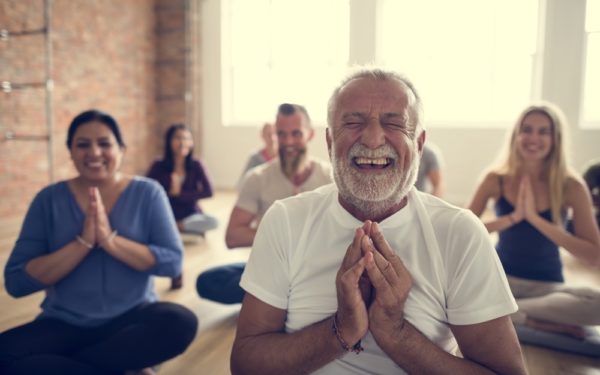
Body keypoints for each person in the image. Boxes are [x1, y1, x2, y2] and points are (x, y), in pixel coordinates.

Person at [230, 68, 527, 374]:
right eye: (353, 122)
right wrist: (340, 329)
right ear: (330, 142)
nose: (372, 139)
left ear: (420, 144)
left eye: (394, 123)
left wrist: (397, 334)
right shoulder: (285, 219)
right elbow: (245, 364)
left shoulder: (459, 232)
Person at [0, 110, 198, 375]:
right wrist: (81, 243)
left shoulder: (148, 193)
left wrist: (109, 240)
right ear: (70, 151)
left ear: (121, 149)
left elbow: (172, 263)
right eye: (82, 144)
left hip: (133, 320)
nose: (94, 152)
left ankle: (82, 365)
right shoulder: (48, 200)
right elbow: (16, 281)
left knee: (180, 322)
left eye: (104, 143)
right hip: (64, 323)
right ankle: (127, 368)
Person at [468, 102, 600, 356]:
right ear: (517, 135)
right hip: (501, 280)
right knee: (452, 294)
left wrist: (537, 220)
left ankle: (504, 314)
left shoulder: (571, 185)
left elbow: (593, 256)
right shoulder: (495, 178)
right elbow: (463, 232)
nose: (533, 138)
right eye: (527, 130)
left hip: (548, 288)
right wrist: (513, 218)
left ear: (555, 139)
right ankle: (531, 321)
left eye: (543, 131)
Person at [196, 103, 332, 304]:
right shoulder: (257, 178)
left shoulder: (329, 176)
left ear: (310, 134)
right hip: (272, 269)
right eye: (281, 134)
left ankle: (276, 299)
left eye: (296, 134)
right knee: (208, 281)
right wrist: (283, 238)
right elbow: (232, 237)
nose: (288, 142)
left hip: (316, 268)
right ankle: (287, 298)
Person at [147, 123, 218, 289]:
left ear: (192, 142)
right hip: (166, 215)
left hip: (190, 216)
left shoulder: (196, 164)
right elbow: (148, 192)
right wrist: (169, 192)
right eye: (177, 138)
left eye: (186, 138)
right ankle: (174, 234)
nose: (182, 142)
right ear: (169, 142)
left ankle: (179, 227)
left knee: (213, 221)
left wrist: (181, 194)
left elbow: (209, 191)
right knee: (158, 229)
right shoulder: (158, 165)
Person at [237, 122, 278, 187]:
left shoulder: (284, 158)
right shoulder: (255, 158)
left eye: (275, 133)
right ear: (262, 136)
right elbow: (243, 182)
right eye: (268, 134)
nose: (272, 138)